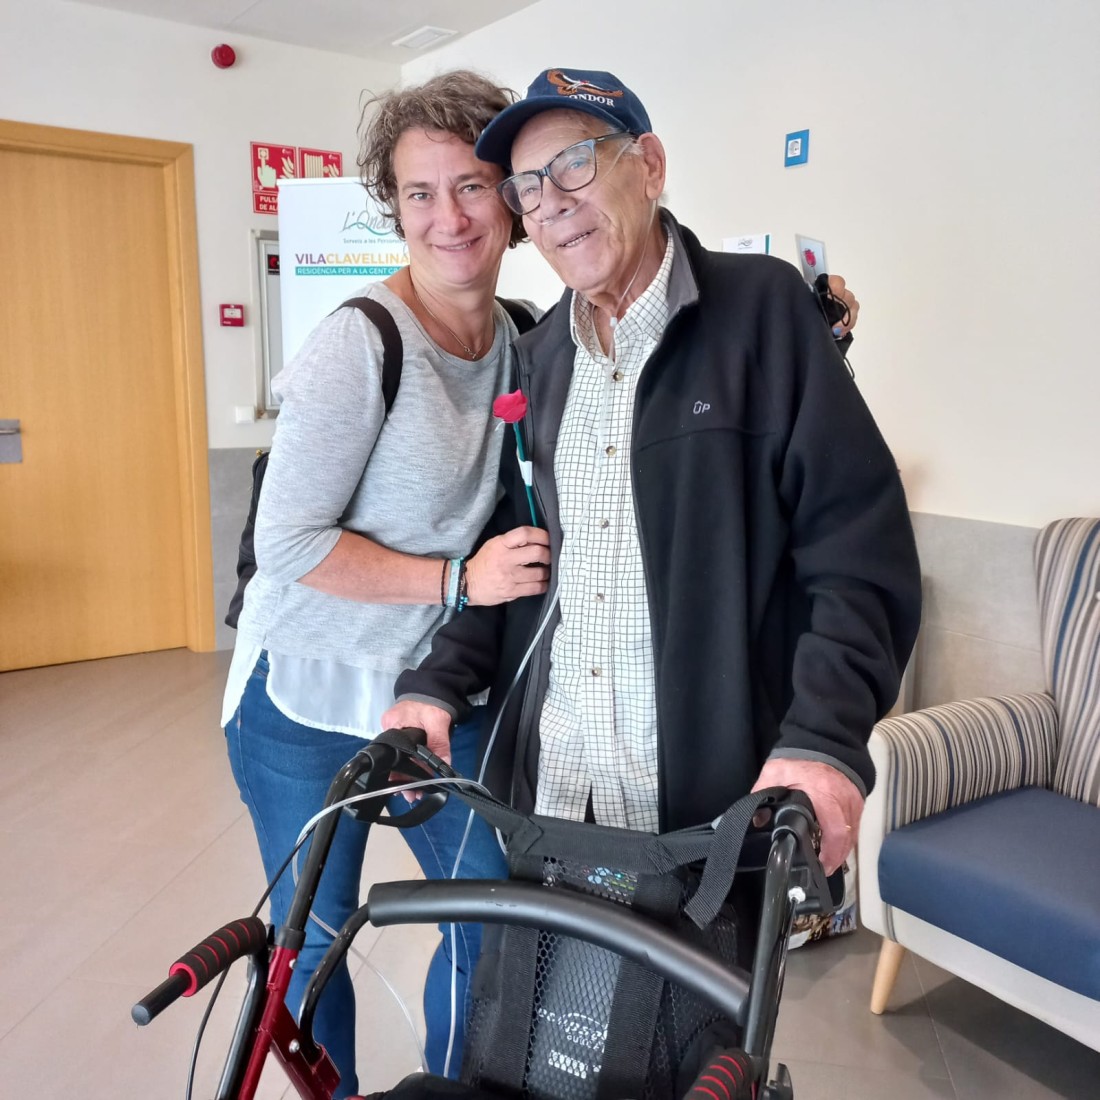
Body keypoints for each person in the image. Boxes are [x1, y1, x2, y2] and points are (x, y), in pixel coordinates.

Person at [384, 68, 920, 897]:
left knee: (697, 992)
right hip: (556, 797)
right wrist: (435, 684)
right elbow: (515, 558)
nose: (552, 204)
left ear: (650, 167)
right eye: (527, 187)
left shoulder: (762, 313)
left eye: (574, 164)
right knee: (536, 986)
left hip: (711, 813)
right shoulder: (539, 358)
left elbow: (858, 552)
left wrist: (823, 740)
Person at [221, 71, 552, 1096]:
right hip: (303, 696)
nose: (448, 216)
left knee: (486, 922)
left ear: (512, 199)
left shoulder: (522, 337)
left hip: (434, 697)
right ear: (393, 206)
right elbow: (288, 541)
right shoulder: (359, 342)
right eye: (419, 192)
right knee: (314, 943)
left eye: (471, 185)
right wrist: (458, 579)